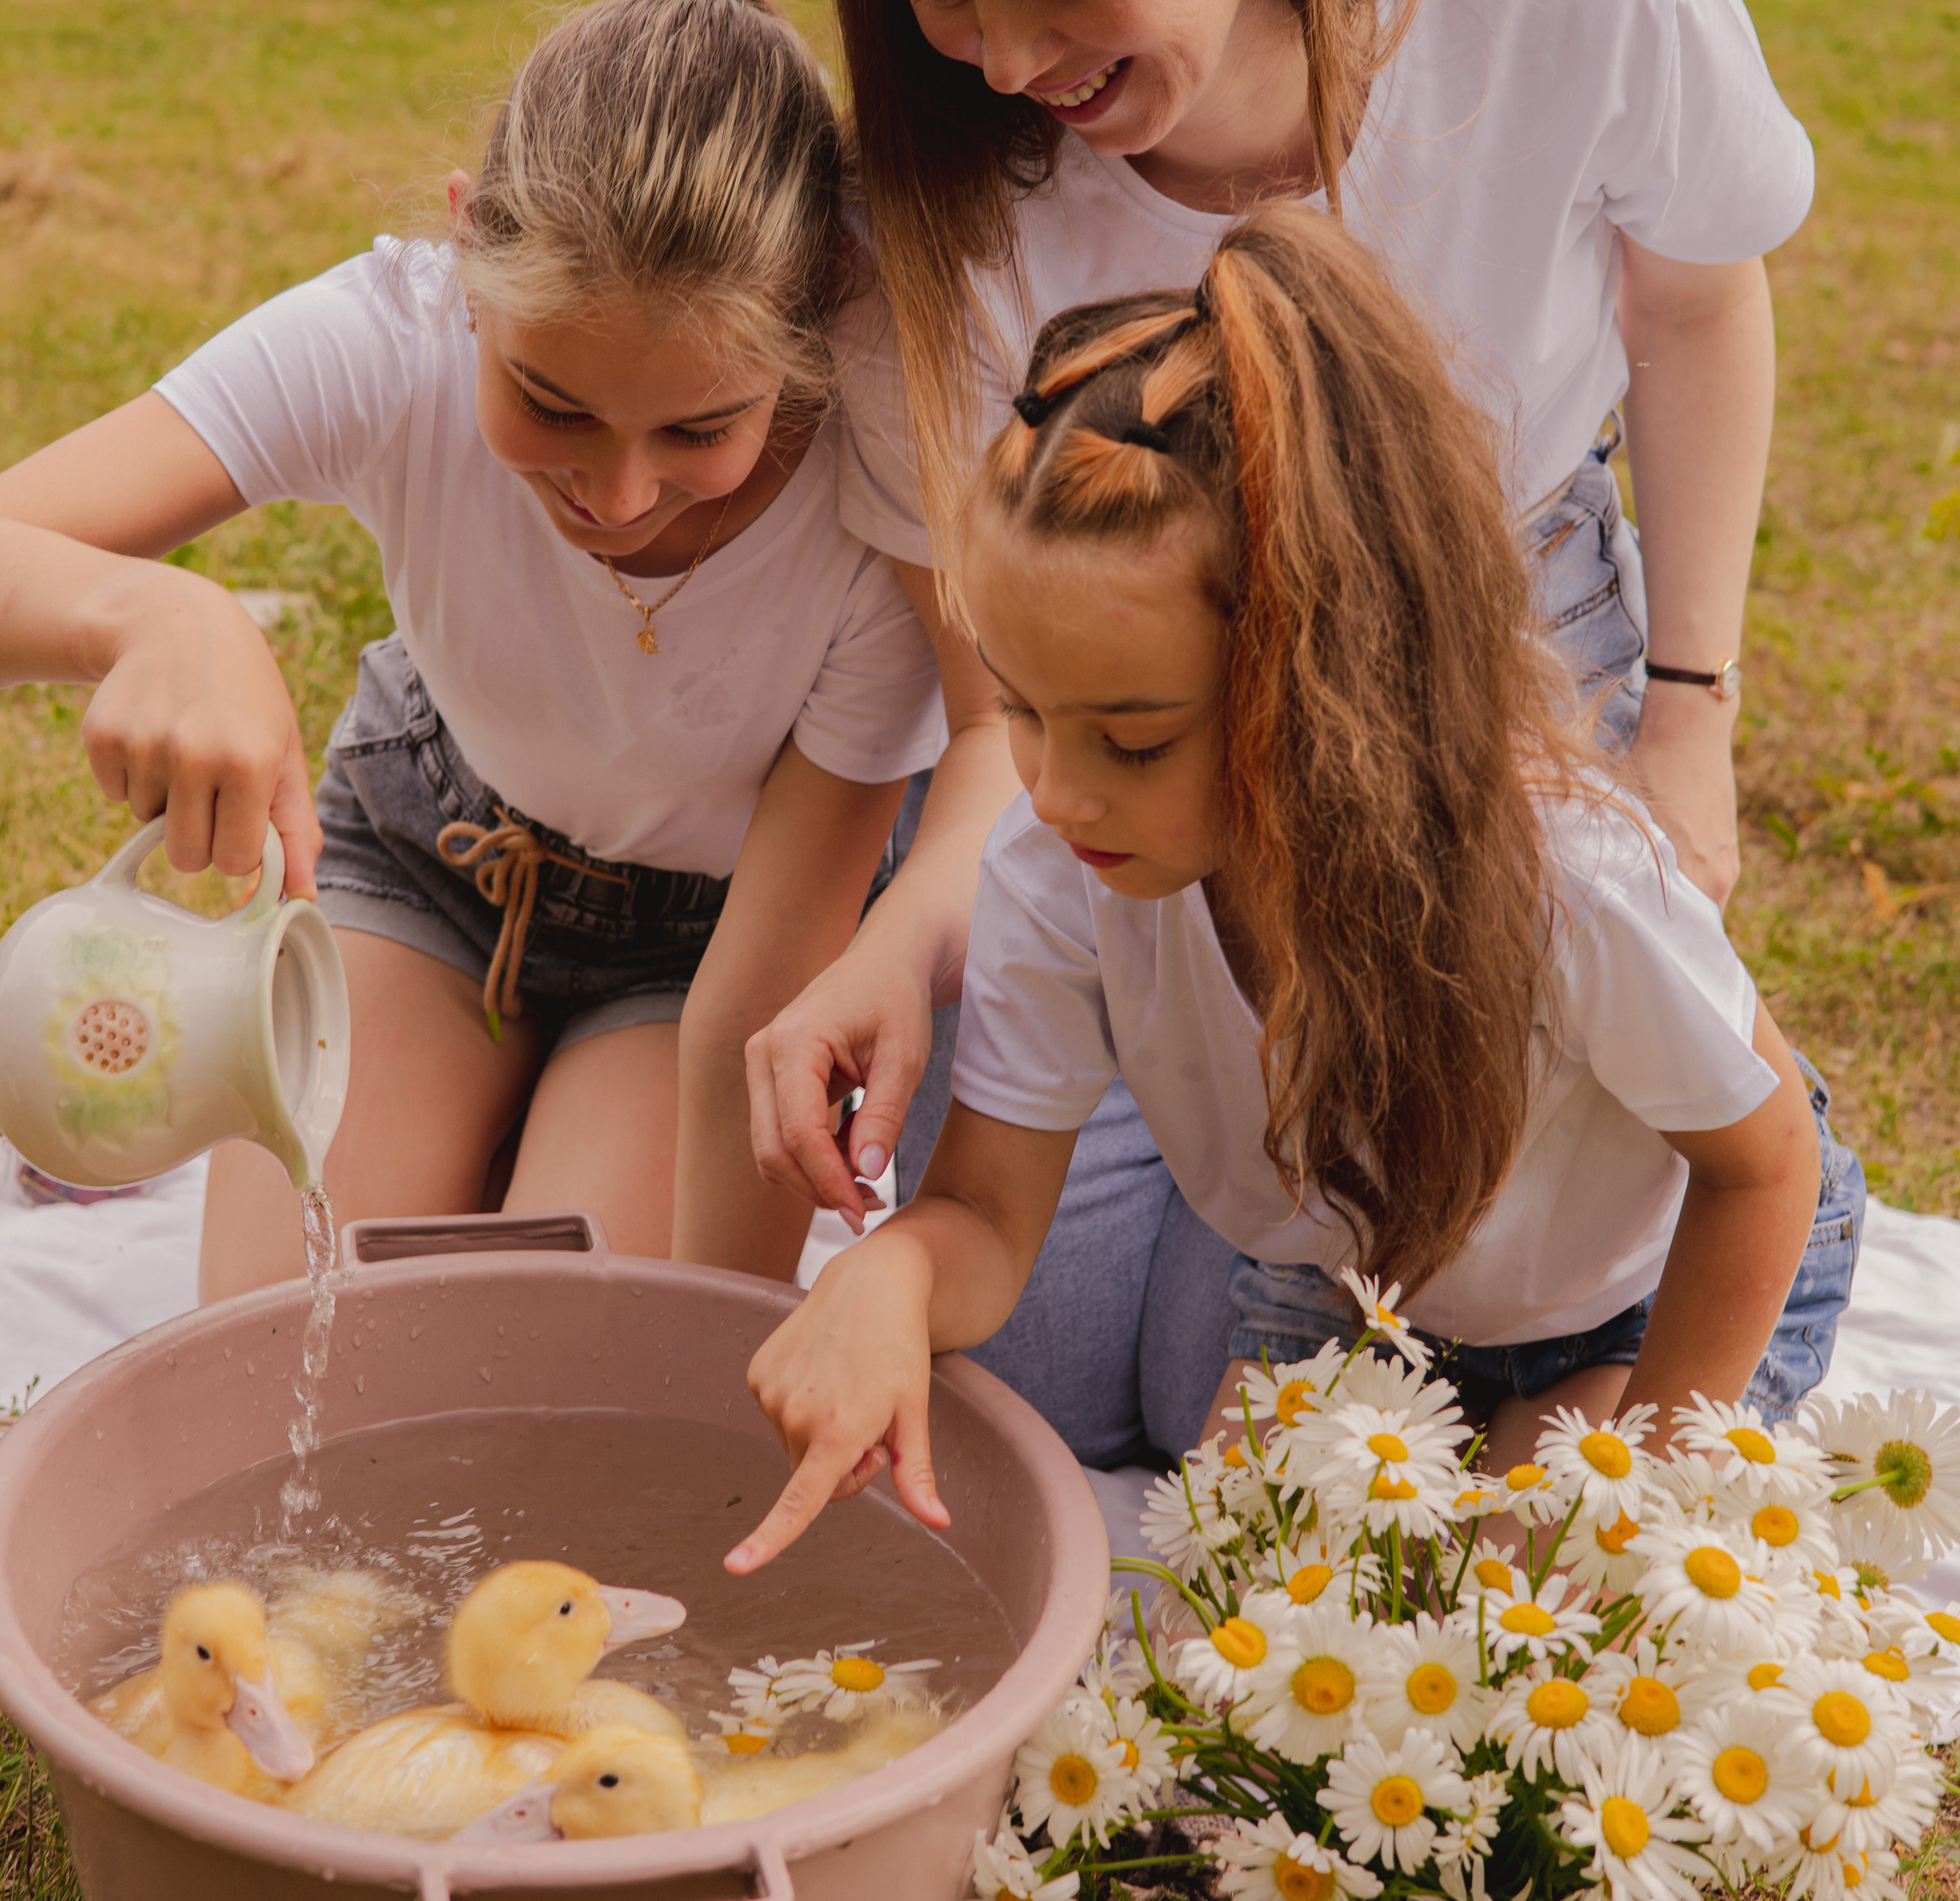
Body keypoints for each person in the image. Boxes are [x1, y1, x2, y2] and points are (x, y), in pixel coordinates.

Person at [744, 0, 1819, 1471]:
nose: (1002, 55)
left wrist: (1685, 717)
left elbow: (1690, 309)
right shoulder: (961, 196)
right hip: (1134, 731)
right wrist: (917, 934)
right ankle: (1252, 1157)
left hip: (1523, 652)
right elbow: (1037, 699)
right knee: (1059, 1384)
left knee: (1489, 1178)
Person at [726, 214, 1862, 1576]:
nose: (1059, 792)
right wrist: (889, 1277)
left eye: (1134, 739)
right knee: (1244, 1630)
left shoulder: (1561, 874)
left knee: (1502, 1617)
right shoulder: (1057, 869)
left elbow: (1766, 1158)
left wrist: (1649, 1504)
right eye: (1023, 711)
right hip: (1351, 1293)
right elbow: (982, 1216)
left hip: (1652, 1292)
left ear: (1315, 690)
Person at [0, 0, 948, 1295]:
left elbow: (751, 1007)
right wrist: (160, 608)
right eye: (553, 403)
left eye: (702, 430)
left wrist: (701, 1366)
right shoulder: (392, 336)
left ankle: (529, 1138)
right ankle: (482, 1129)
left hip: (712, 950)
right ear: (467, 251)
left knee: (562, 1366)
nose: (619, 494)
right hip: (432, 854)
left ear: (822, 305)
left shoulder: (885, 486)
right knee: (287, 1346)